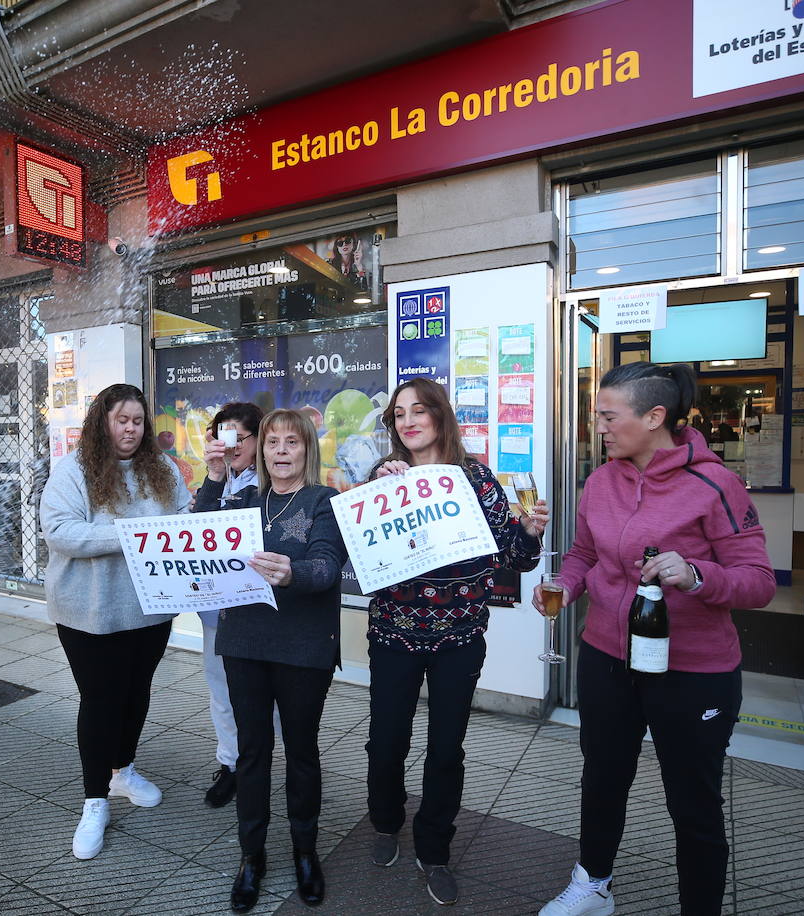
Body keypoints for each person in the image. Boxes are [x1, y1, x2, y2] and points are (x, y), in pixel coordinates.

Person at [534, 362, 774, 916]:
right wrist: (566, 587)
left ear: (655, 417)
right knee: (602, 779)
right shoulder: (600, 480)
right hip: (606, 658)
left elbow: (758, 582)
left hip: (692, 671)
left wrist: (695, 575)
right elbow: (585, 555)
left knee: (693, 803)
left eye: (608, 416)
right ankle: (593, 886)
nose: (598, 426)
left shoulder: (717, 484)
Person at [364, 377, 549, 906]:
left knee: (446, 749)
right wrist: (381, 488)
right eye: (398, 414)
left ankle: (435, 848)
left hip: (460, 638)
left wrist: (531, 533)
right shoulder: (383, 479)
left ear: (441, 416)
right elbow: (361, 554)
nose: (407, 421)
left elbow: (514, 557)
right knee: (386, 740)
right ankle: (384, 822)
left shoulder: (478, 479)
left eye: (418, 410)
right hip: (394, 634)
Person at [194, 409, 347, 912]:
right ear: (260, 450)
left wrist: (292, 573)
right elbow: (199, 538)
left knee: (301, 751)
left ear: (307, 450)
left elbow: (326, 566)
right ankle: (251, 856)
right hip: (244, 644)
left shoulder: (325, 502)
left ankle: (305, 851)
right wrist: (214, 479)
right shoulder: (241, 499)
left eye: (292, 443)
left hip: (304, 647)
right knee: (252, 754)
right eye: (273, 442)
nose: (281, 451)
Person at [39, 383, 192, 861]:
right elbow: (62, 532)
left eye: (138, 421)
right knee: (101, 701)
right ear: (101, 422)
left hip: (150, 610)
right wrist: (134, 536)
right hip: (89, 612)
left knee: (136, 693)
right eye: (121, 419)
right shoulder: (74, 470)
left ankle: (122, 771)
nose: (130, 428)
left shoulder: (161, 468)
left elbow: (183, 515)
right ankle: (94, 800)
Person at [196, 402, 264, 809]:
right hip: (215, 610)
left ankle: (259, 760)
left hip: (257, 608)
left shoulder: (273, 482)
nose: (231, 445)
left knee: (259, 693)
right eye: (222, 436)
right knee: (220, 689)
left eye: (240, 436)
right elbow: (197, 527)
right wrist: (214, 475)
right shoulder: (215, 480)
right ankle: (231, 763)